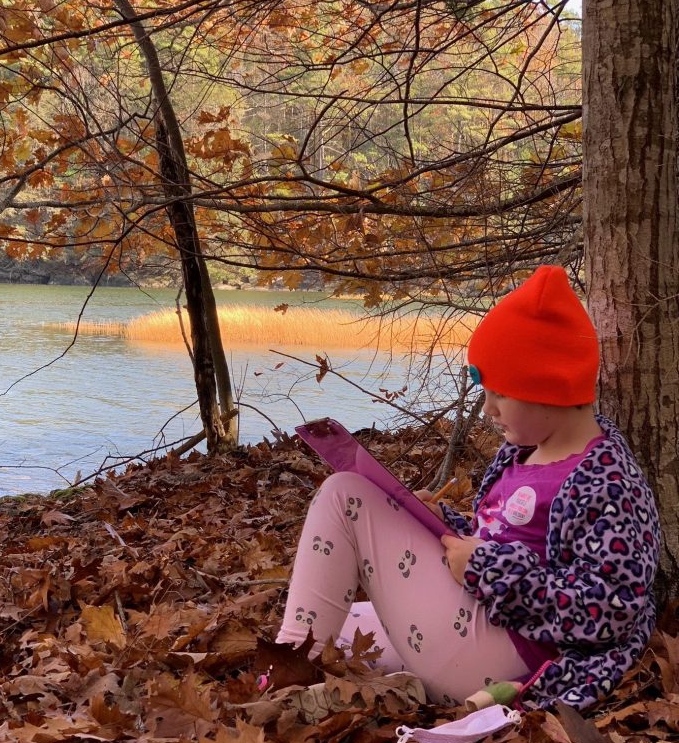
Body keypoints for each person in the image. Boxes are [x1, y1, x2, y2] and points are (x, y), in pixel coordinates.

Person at [276, 266, 660, 709]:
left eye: (501, 394)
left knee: (344, 493)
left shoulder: (607, 479)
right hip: (473, 629)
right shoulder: (522, 453)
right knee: (337, 620)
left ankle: (284, 677)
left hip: (508, 652)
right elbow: (496, 542)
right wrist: (444, 525)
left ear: (549, 388)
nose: (488, 409)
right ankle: (389, 685)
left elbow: (612, 607)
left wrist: (486, 569)